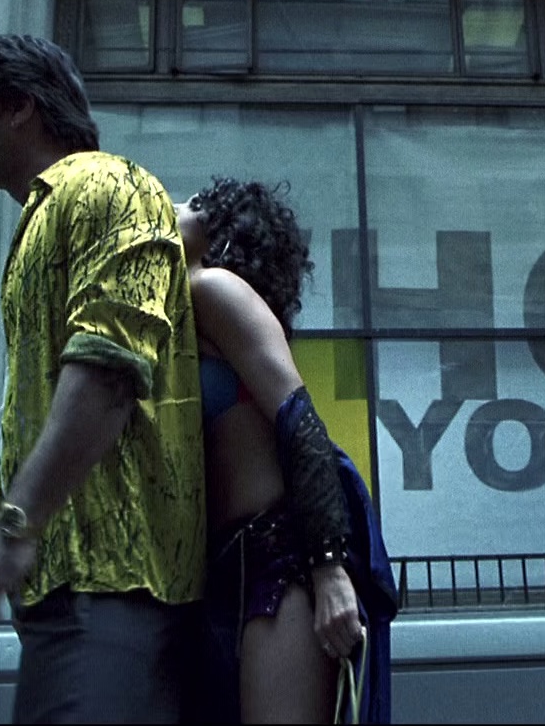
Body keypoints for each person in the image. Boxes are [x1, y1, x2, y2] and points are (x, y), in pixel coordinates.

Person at [0, 32, 206, 724]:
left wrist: (10, 530)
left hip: (111, 587)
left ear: (20, 108)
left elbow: (109, 371)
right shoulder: (46, 215)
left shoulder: (108, 186)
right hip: (72, 590)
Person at [176, 177, 398, 723]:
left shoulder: (213, 288)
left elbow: (303, 427)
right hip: (218, 572)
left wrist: (329, 570)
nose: (173, 207)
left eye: (194, 204)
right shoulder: (180, 310)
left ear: (219, 231)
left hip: (278, 564)